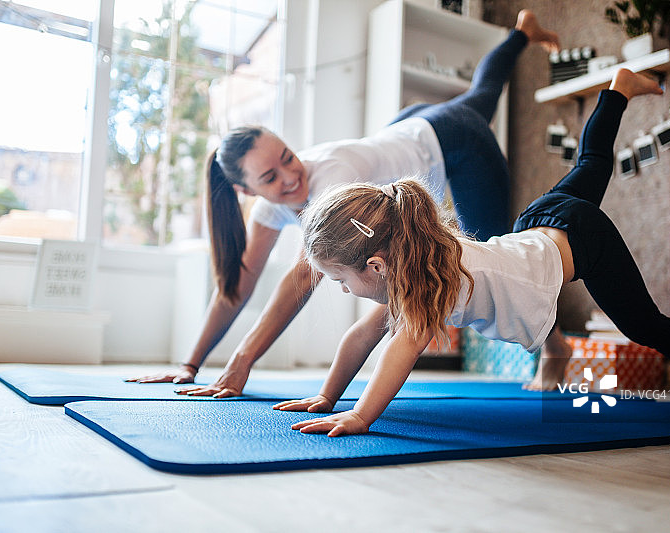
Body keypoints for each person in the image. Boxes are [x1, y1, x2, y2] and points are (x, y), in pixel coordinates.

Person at [273, 68, 670, 437]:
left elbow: (398, 351)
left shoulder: (435, 282)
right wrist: (327, 396)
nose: (342, 290)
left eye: (340, 279)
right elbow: (361, 336)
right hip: (539, 222)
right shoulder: (416, 258)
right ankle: (617, 91)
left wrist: (360, 415)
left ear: (377, 265)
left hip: (582, 241)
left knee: (643, 326)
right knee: (592, 163)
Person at [127, 10, 568, 396]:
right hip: (410, 128)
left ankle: (554, 346)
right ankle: (521, 32)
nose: (290, 176)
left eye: (288, 157)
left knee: (498, 249)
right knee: (481, 94)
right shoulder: (268, 210)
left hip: (453, 141)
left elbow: (303, 278)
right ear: (247, 191)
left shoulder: (331, 178)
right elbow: (237, 287)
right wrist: (190, 364)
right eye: (270, 178)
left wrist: (242, 360)